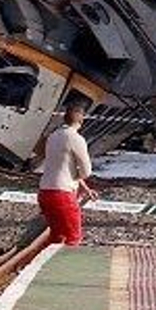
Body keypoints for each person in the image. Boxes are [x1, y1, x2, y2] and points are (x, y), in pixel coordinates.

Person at [33, 96, 95, 245]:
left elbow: (61, 166)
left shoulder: (53, 136)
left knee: (56, 238)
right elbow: (86, 172)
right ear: (81, 120)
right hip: (62, 195)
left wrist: (84, 187)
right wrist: (79, 180)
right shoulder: (76, 138)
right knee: (72, 238)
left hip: (45, 193)